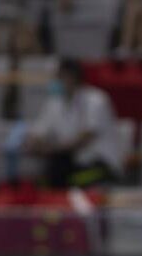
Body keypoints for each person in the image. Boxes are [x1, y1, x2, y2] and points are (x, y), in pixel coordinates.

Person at [25, 58, 122, 187]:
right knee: (48, 175)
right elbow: (38, 130)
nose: (56, 81)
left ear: (72, 77)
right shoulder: (55, 103)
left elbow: (86, 137)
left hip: (101, 165)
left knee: (61, 177)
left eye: (60, 77)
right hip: (72, 163)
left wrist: (51, 149)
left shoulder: (96, 100)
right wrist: (33, 143)